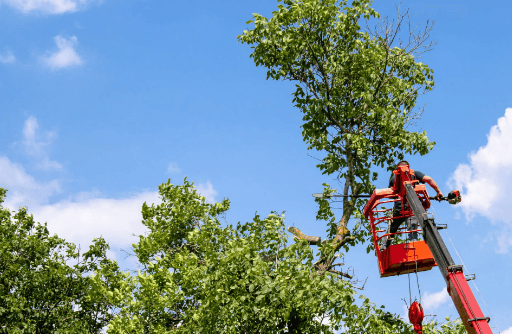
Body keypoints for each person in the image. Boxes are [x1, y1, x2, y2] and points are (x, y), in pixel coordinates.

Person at [380, 161, 443, 250]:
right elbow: (429, 179)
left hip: (399, 208)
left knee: (391, 229)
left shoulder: (394, 178)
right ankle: (414, 247)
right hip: (413, 207)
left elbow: (391, 194)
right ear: (408, 167)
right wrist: (438, 191)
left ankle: (383, 248)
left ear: (397, 168)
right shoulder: (415, 174)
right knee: (413, 229)